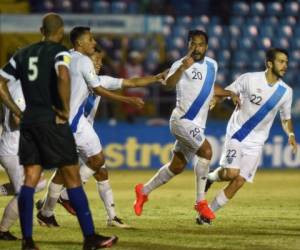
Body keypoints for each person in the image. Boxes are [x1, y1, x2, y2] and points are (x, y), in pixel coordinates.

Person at [0, 13, 117, 250]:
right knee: (72, 177)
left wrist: (16, 110)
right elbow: (63, 78)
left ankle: (28, 241)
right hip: (51, 123)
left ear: (40, 29)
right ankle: (90, 237)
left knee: (30, 182)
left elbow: (1, 83)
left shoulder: (22, 54)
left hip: (29, 124)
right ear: (60, 32)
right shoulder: (61, 53)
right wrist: (64, 109)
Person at [38, 47, 167, 228]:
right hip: (72, 130)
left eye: (100, 61)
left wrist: (155, 78)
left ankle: (51, 211)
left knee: (96, 171)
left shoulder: (102, 80)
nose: (98, 64)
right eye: (94, 60)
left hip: (84, 133)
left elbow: (131, 82)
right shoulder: (76, 80)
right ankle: (61, 200)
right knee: (87, 166)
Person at [133, 29, 240, 223]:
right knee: (206, 151)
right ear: (187, 45)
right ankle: (200, 202)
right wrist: (182, 68)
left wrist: (228, 94)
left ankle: (143, 190)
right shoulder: (179, 64)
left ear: (206, 47)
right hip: (181, 120)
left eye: (200, 44)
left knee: (177, 166)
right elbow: (167, 85)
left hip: (198, 125)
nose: (196, 48)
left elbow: (208, 89)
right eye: (193, 43)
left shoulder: (212, 65)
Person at [205, 48, 298, 221]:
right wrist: (216, 100)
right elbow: (227, 92)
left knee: (239, 181)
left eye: (286, 61)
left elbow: (286, 118)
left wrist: (291, 134)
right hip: (238, 133)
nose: (285, 65)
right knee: (232, 173)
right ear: (269, 63)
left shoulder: (286, 92)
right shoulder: (249, 79)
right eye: (281, 61)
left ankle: (207, 213)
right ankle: (210, 177)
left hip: (257, 142)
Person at [0, 79, 47, 241]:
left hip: (16, 148)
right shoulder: (20, 89)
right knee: (24, 193)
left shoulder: (14, 86)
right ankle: (2, 230)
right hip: (12, 150)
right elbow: (17, 120)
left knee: (40, 183)